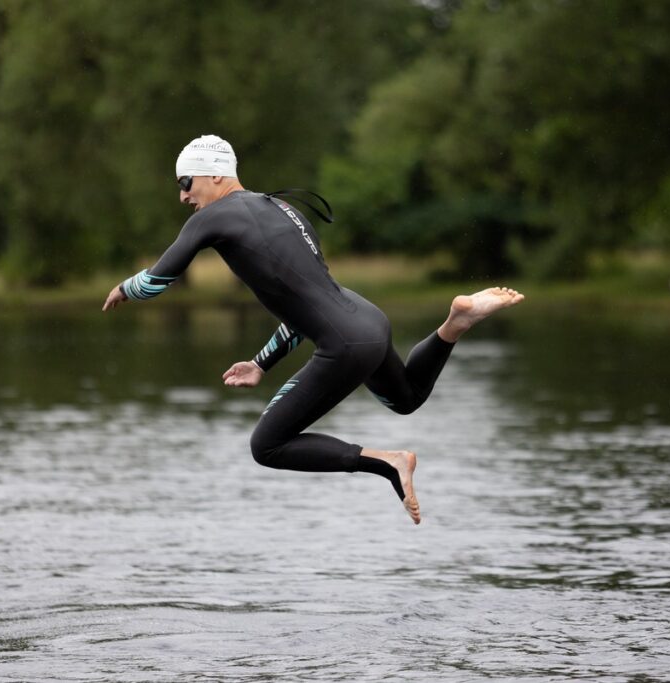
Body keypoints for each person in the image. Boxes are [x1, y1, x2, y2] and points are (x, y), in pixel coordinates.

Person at [103, 134, 524, 524]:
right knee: (407, 399)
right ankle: (454, 324)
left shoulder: (212, 218)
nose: (182, 195)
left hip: (344, 342)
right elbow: (306, 309)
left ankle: (390, 462)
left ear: (215, 174)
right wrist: (260, 364)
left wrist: (124, 288)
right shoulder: (279, 207)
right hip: (366, 319)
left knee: (266, 446)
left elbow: (158, 280)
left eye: (186, 182)